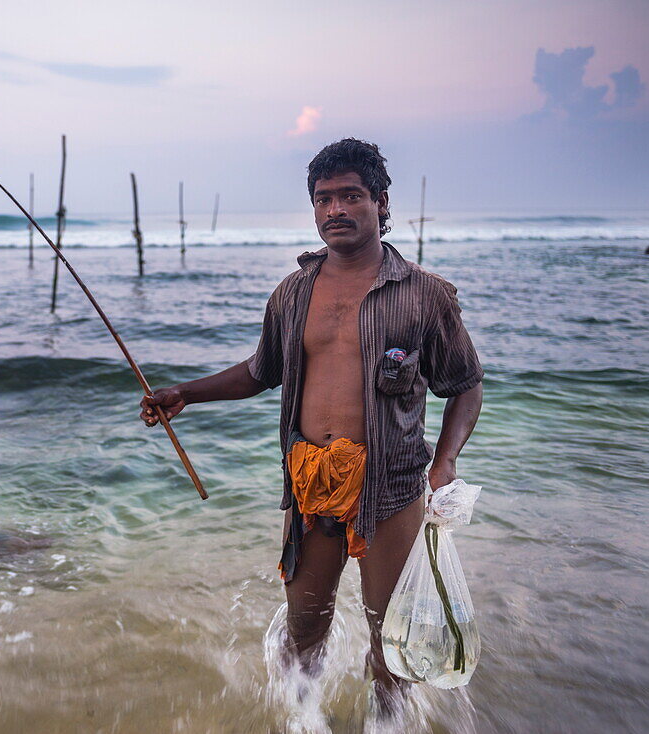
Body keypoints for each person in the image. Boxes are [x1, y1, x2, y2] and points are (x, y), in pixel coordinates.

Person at [139, 138, 483, 713]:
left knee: (389, 645)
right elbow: (260, 370)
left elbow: (465, 385)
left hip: (390, 486)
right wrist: (185, 395)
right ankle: (302, 721)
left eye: (351, 196)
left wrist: (444, 462)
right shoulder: (294, 292)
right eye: (323, 200)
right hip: (309, 482)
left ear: (381, 202)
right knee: (303, 632)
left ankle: (388, 727)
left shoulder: (424, 295)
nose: (335, 211)